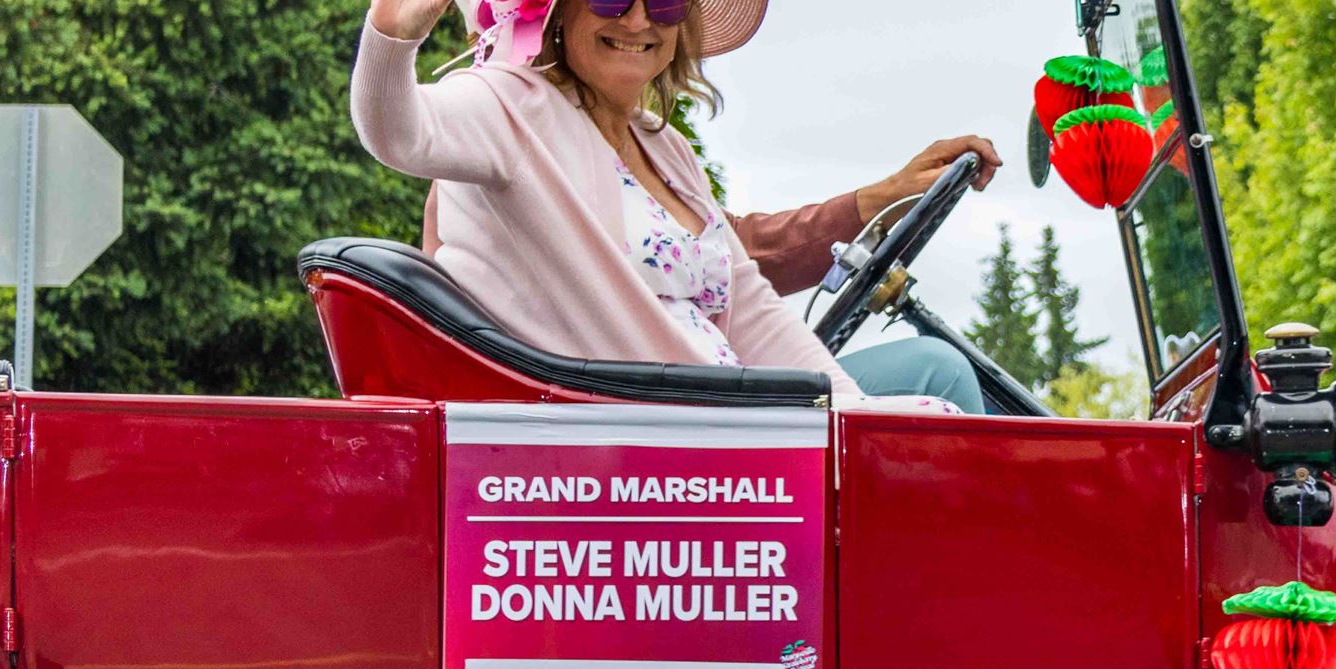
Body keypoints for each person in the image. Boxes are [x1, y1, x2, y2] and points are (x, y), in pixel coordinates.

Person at [351, 0, 993, 410]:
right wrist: (390, 38)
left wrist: (852, 416)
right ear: (561, 9)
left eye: (663, 2)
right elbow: (398, 133)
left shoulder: (665, 148)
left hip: (718, 416)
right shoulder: (508, 105)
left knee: (930, 393)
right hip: (635, 441)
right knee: (937, 388)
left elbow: (750, 308)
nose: (637, 20)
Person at [418, 135, 1000, 405]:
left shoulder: (640, 149)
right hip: (651, 415)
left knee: (927, 373)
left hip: (707, 391)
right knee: (936, 372)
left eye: (663, 5)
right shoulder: (518, 166)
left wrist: (879, 199)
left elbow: (726, 260)